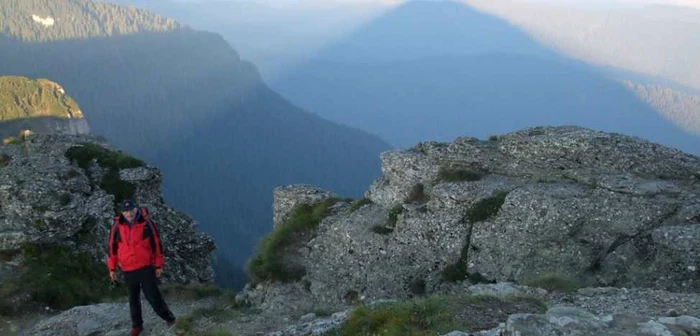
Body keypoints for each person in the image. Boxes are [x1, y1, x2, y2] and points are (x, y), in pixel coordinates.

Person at [107, 199, 176, 336]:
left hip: (145, 267)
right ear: (122, 212)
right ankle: (137, 326)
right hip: (128, 268)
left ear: (136, 209)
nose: (129, 213)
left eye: (131, 209)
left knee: (153, 296)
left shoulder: (146, 223)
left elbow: (157, 245)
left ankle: (169, 318)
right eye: (126, 211)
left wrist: (158, 265)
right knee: (133, 299)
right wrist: (112, 268)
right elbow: (111, 249)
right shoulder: (117, 226)